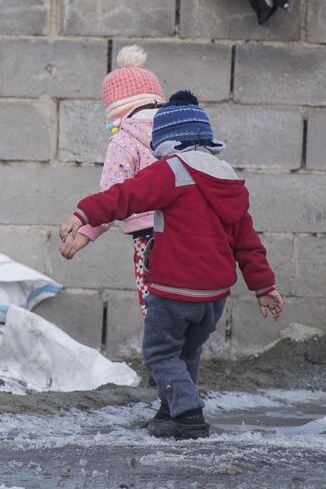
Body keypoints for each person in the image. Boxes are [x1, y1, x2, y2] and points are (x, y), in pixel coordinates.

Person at [59, 90, 284, 439]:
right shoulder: (228, 178)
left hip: (174, 286)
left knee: (159, 353)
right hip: (214, 295)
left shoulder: (171, 172)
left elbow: (125, 195)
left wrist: (83, 212)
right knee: (187, 351)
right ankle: (171, 411)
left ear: (166, 140)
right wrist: (264, 287)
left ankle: (189, 412)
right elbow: (247, 242)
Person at [60, 45, 165, 318]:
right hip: (194, 232)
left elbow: (113, 196)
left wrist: (86, 232)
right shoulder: (180, 134)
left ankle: (163, 358)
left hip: (150, 239)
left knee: (155, 313)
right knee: (187, 312)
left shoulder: (123, 140)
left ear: (116, 111)